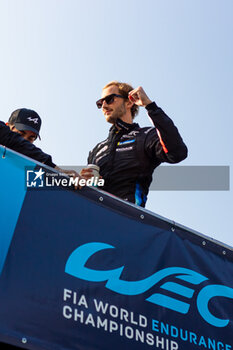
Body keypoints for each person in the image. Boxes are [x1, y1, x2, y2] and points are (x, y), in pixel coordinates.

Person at [81, 81, 188, 207]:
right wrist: (83, 182)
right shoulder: (97, 149)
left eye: (109, 99)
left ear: (129, 102)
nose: (104, 105)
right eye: (100, 103)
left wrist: (150, 106)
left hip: (128, 217)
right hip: (93, 214)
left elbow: (177, 152)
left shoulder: (145, 135)